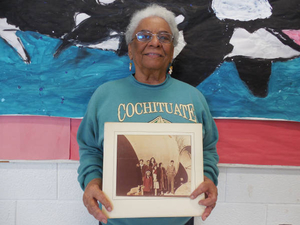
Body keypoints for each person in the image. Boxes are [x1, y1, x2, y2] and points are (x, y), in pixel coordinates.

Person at [77, 4, 219, 225]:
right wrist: (91, 183)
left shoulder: (193, 98)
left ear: (172, 51)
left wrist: (208, 178)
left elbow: (207, 149)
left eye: (164, 37)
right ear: (131, 49)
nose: (155, 42)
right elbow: (90, 149)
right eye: (144, 35)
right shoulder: (104, 96)